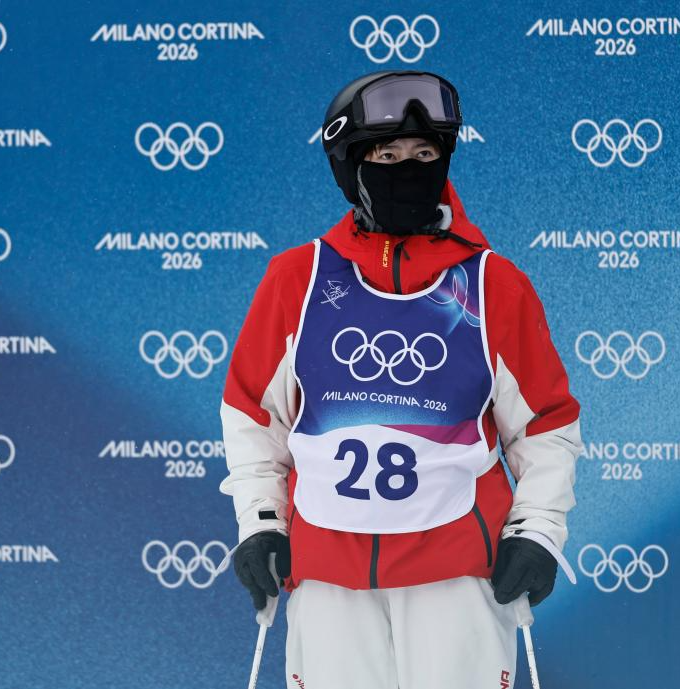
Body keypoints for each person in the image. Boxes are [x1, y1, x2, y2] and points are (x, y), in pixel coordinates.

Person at [218, 70, 583, 689]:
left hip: (457, 574)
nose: (407, 169)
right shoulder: (297, 280)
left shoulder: (493, 286)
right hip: (327, 573)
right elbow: (254, 417)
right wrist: (261, 523)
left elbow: (545, 427)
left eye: (424, 155)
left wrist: (538, 531)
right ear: (350, 167)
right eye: (386, 156)